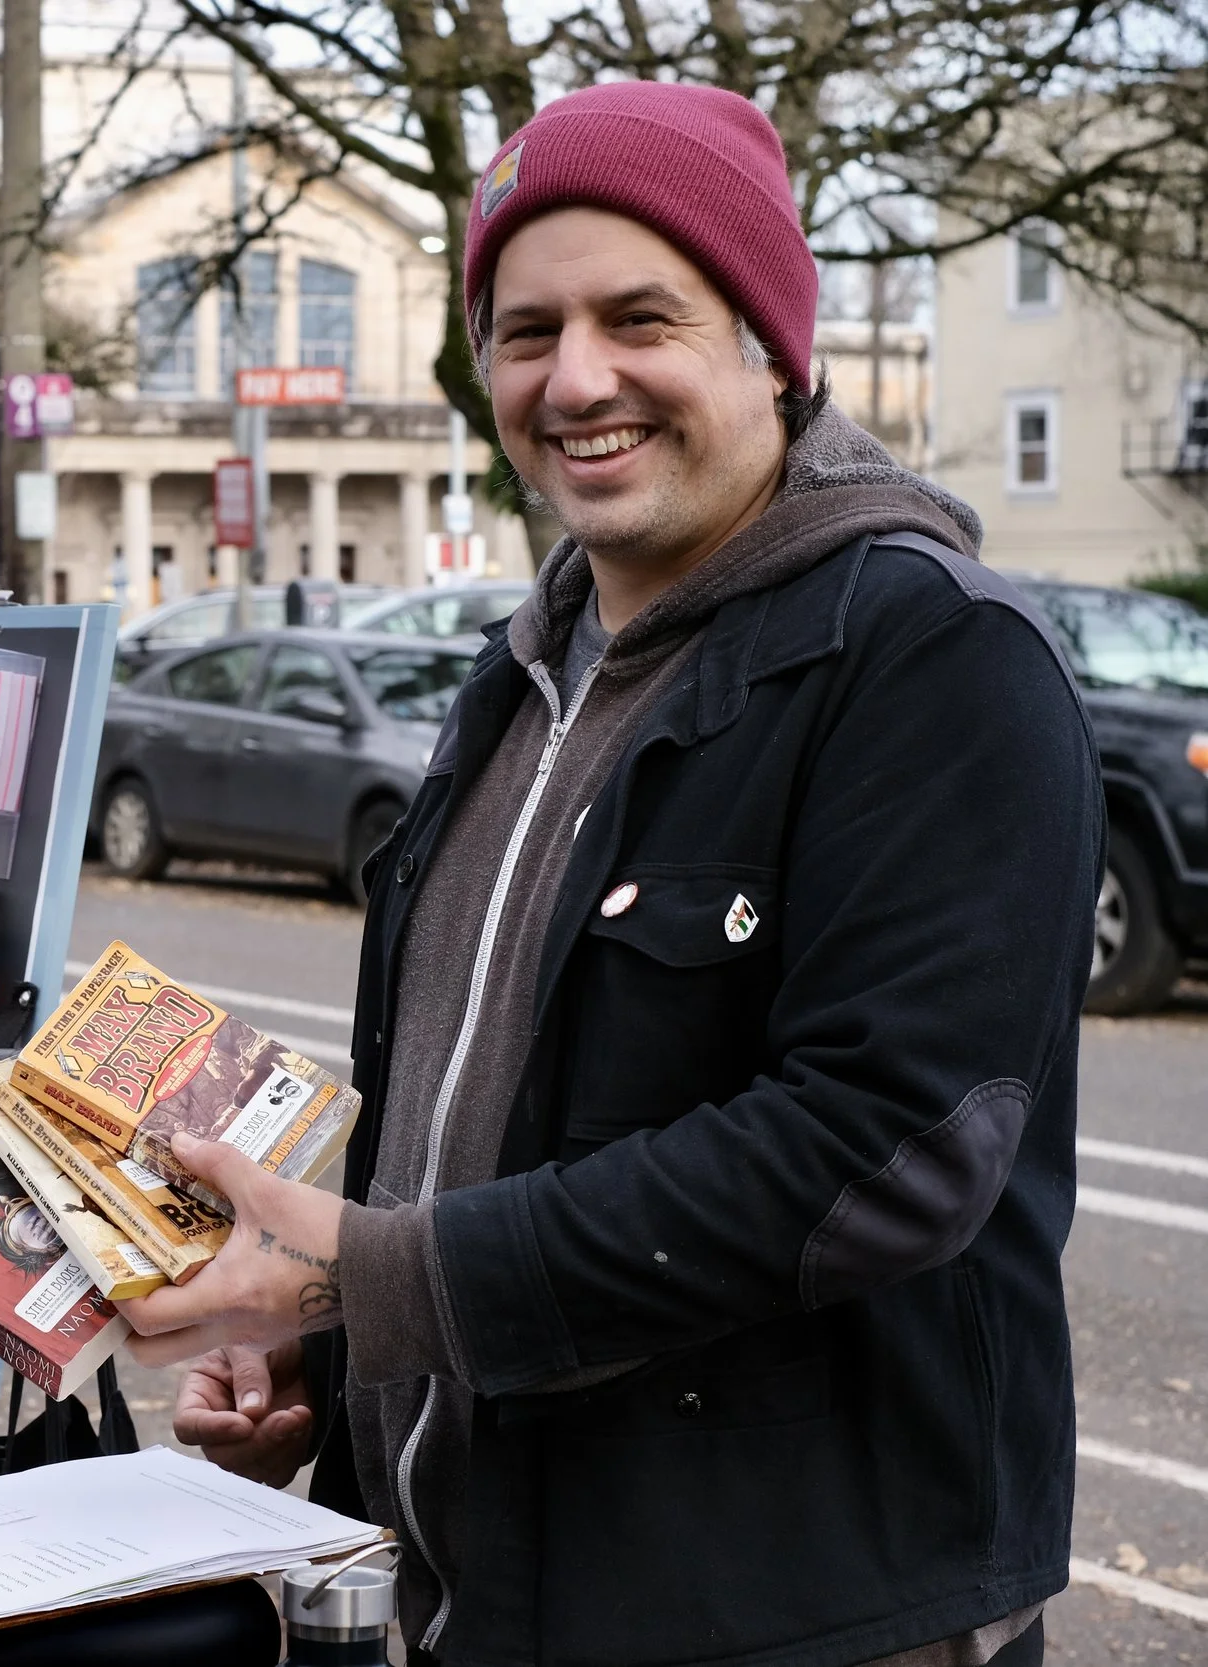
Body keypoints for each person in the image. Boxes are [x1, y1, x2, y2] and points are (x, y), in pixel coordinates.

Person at [123, 82, 1097, 1667]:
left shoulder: (933, 658)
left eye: (641, 316)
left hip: (797, 1621)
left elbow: (882, 1145)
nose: (577, 378)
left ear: (769, 345)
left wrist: (378, 1276)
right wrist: (318, 1338)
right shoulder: (518, 676)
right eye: (526, 330)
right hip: (478, 1596)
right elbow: (470, 1116)